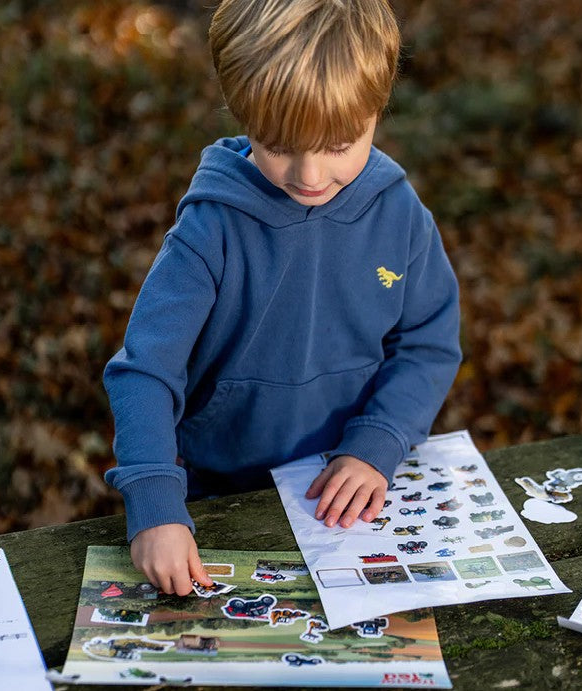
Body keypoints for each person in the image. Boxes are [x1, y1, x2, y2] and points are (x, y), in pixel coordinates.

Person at [103, 0, 461, 596]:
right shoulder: (211, 228)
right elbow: (145, 370)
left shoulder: (400, 216)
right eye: (278, 144)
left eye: (339, 144)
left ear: (377, 109)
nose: (311, 175)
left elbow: (428, 343)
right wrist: (156, 503)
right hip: (214, 492)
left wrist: (377, 443)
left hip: (341, 490)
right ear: (244, 113)